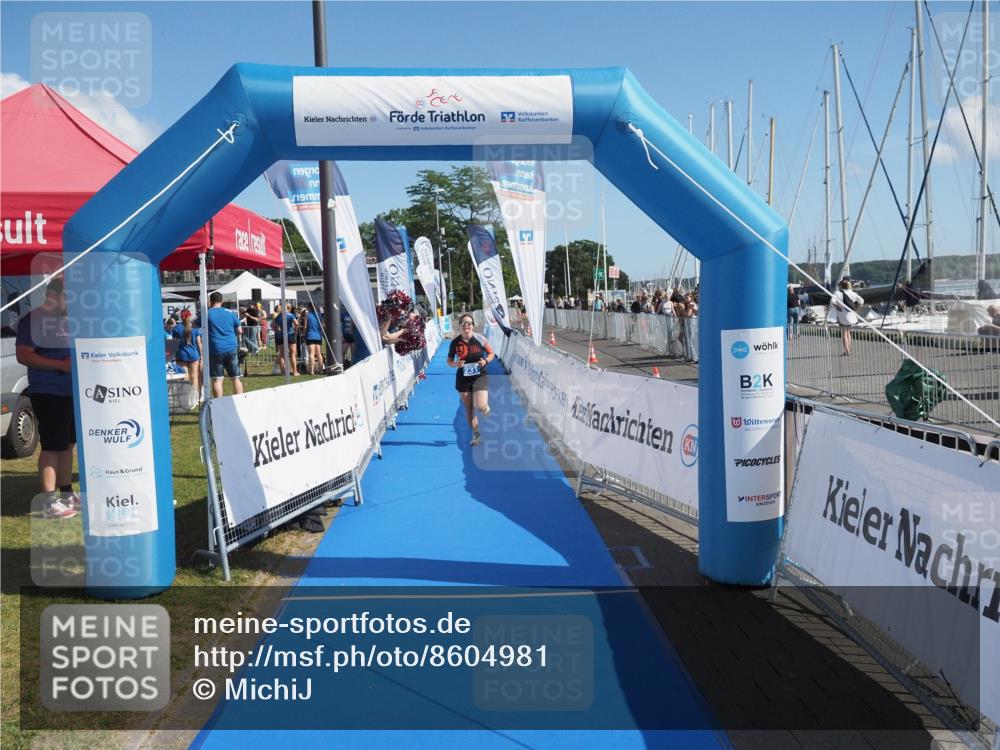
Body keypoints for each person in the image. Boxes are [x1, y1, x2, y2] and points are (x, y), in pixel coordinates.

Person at [15, 278, 79, 518]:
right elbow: (24, 355)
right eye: (69, 298)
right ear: (53, 296)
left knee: (68, 444)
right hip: (49, 392)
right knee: (52, 446)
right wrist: (60, 365)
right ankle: (49, 502)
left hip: (72, 392)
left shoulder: (69, 319)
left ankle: (66, 493)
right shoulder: (33, 321)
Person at [447, 314, 494, 446]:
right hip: (463, 378)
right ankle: (476, 435)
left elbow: (491, 353)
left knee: (480, 406)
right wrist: (456, 364)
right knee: (469, 407)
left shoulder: (480, 338)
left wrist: (485, 361)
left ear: (473, 325)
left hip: (479, 375)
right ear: (459, 326)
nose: (466, 325)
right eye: (463, 323)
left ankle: (485, 408)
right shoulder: (455, 342)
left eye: (469, 323)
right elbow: (449, 361)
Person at [207, 291, 244, 397]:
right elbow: (240, 331)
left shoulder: (207, 313)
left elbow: (195, 326)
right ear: (222, 301)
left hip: (216, 349)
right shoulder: (230, 312)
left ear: (210, 301)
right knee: (235, 378)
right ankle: (240, 402)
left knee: (217, 379)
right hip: (231, 348)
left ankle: (219, 404)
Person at [827, 279, 864, 356]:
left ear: (841, 286)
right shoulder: (853, 293)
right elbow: (861, 301)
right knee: (848, 332)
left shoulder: (837, 293)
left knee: (844, 333)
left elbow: (832, 301)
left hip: (842, 316)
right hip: (851, 316)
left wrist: (837, 307)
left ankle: (846, 351)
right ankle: (849, 350)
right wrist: (857, 309)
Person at [175, 312, 203, 402]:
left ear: (181, 317)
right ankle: (195, 397)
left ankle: (185, 398)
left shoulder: (177, 328)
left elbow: (174, 343)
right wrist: (201, 354)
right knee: (194, 376)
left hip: (181, 355)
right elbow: (199, 343)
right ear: (190, 316)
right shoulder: (195, 328)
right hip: (194, 354)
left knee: (184, 376)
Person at [272, 303, 298, 376]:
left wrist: (277, 330)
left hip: (281, 335)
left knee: (282, 354)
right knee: (292, 354)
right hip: (290, 334)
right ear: (287, 308)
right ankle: (295, 371)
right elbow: (296, 323)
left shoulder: (279, 316)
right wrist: (295, 331)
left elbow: (272, 325)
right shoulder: (290, 315)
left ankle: (283, 372)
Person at [304, 303, 324, 374]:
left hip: (310, 335)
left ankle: (312, 371)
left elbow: (305, 326)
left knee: (311, 354)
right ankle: (321, 370)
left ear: (309, 307)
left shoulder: (307, 315)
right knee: (319, 354)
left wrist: (304, 334)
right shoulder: (319, 315)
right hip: (318, 336)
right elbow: (322, 325)